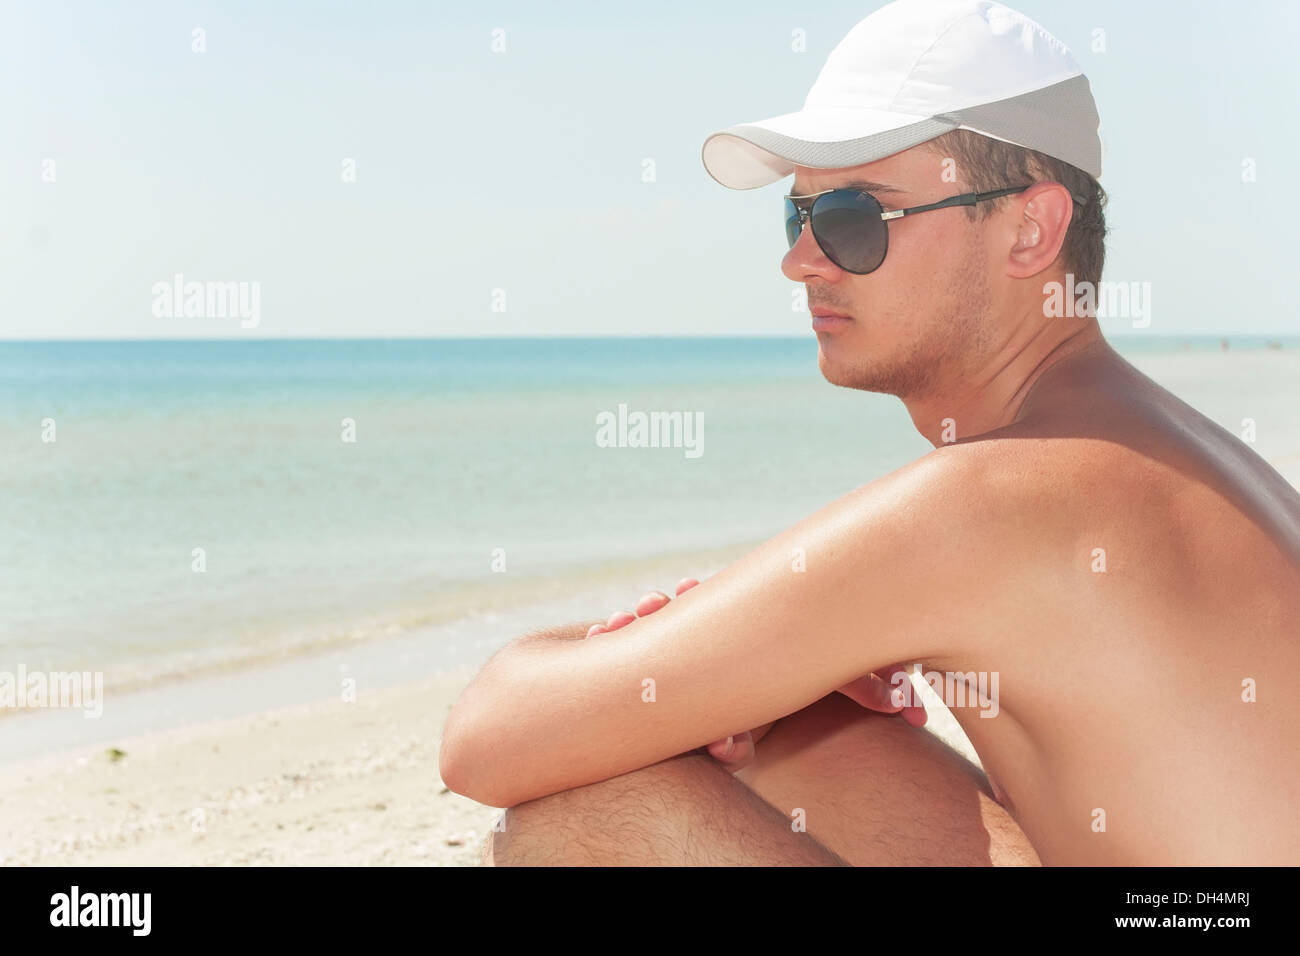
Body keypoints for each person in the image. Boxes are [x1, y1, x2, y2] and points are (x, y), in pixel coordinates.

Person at [439, 0, 1300, 865]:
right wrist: (798, 662)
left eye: (855, 217)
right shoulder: (1155, 449)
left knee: (590, 801)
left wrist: (689, 635)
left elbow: (486, 740)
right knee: (801, 738)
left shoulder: (999, 496)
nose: (800, 259)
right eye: (798, 216)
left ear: (1030, 230)